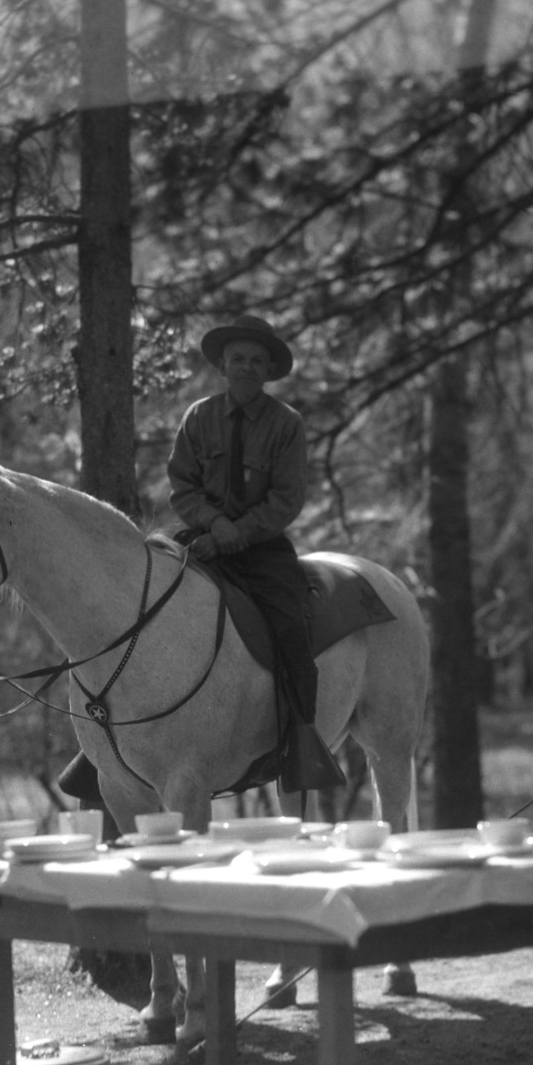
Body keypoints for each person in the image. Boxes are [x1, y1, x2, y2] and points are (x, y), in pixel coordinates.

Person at [168, 314, 344, 793]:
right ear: (222, 366)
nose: (246, 367)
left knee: (291, 629)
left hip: (262, 549)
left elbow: (286, 499)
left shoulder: (286, 424)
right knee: (143, 598)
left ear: (268, 370)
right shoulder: (198, 418)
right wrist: (212, 524)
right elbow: (182, 485)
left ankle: (302, 740)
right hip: (202, 539)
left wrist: (235, 533)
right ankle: (112, 741)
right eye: (237, 359)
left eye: (256, 361)